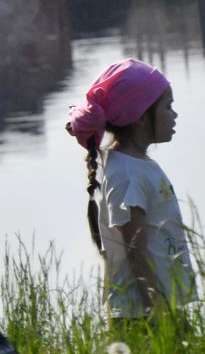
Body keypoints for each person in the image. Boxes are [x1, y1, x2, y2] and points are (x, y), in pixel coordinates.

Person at [65, 58, 193, 321]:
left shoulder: (137, 165)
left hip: (161, 307)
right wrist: (155, 311)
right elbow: (135, 248)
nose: (175, 114)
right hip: (143, 315)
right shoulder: (126, 174)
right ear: (140, 117)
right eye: (168, 107)